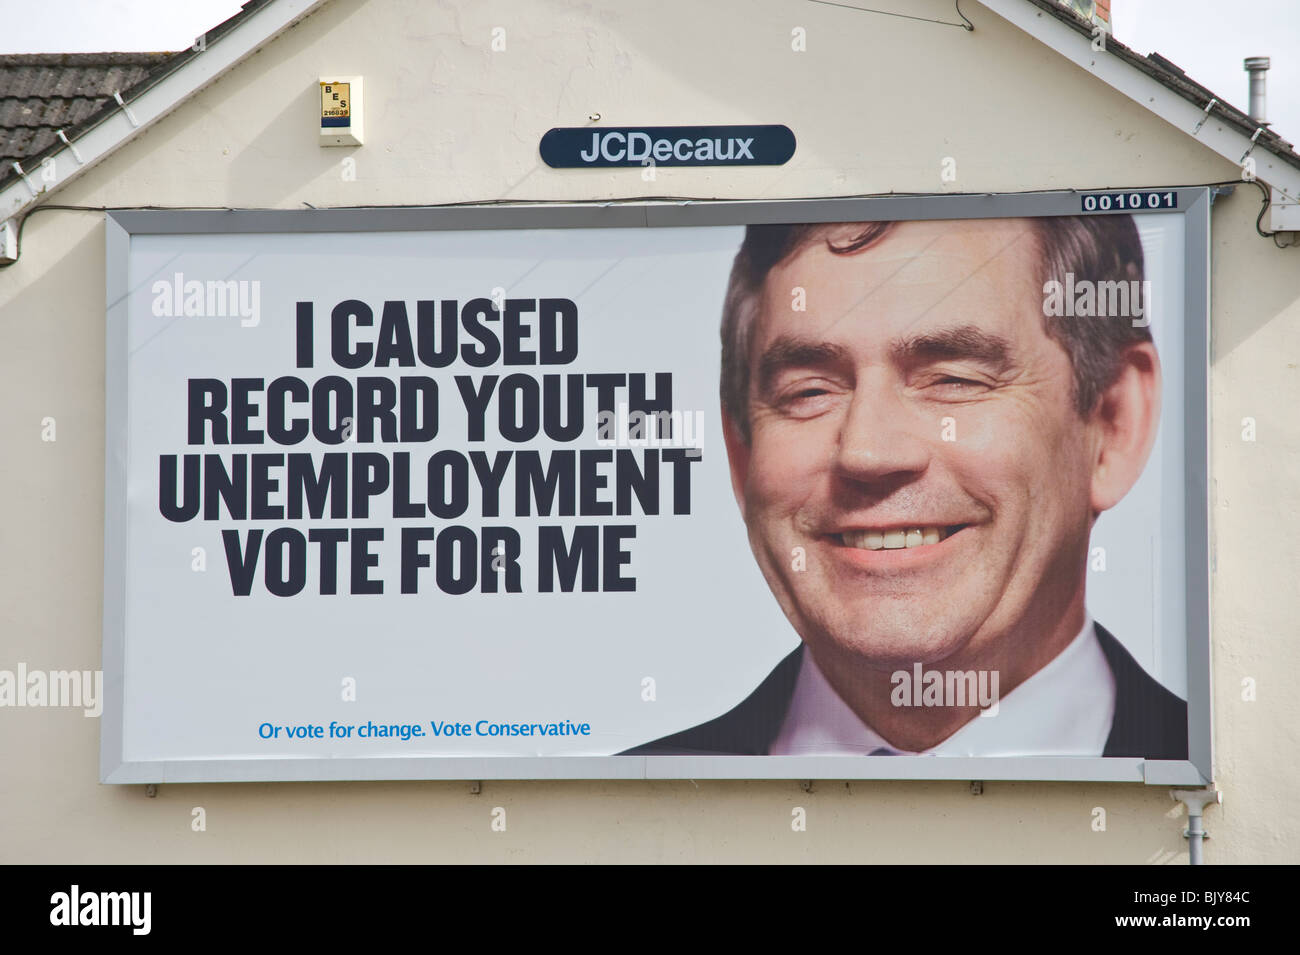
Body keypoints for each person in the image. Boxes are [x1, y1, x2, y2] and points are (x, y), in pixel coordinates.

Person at [625, 214, 1187, 758]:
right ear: (740, 452)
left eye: (954, 379)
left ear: (1115, 422)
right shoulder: (607, 828)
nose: (867, 452)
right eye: (808, 392)